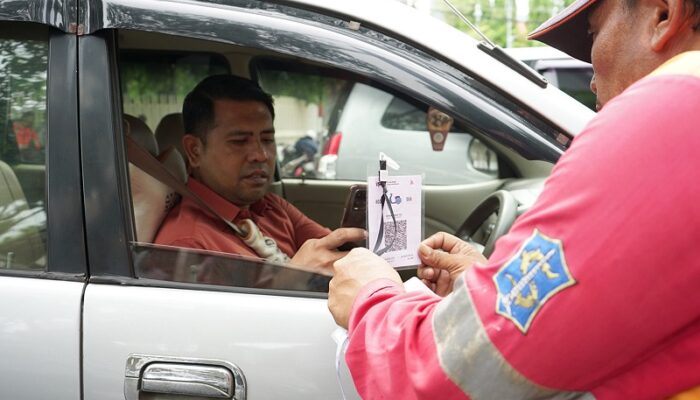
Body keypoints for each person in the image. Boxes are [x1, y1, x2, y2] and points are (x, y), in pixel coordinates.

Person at [328, 0, 700, 398]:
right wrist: (493, 283)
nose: (591, 79)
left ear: (662, 14)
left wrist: (372, 297)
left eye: (592, 35)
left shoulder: (667, 115)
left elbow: (456, 376)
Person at [155, 75, 364, 272]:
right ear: (194, 151)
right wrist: (294, 278)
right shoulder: (186, 245)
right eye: (239, 141)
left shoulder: (270, 206)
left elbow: (336, 253)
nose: (261, 155)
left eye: (267, 139)